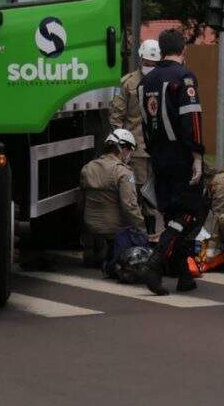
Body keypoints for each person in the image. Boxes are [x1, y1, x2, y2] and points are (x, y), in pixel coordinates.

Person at [138, 29, 207, 295]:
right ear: (183, 50)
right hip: (181, 155)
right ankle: (155, 263)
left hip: (158, 155)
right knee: (191, 212)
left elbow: (145, 124)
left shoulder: (146, 82)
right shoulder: (184, 77)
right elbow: (192, 120)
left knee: (171, 214)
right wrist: (197, 155)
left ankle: (183, 275)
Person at [79, 129, 147, 275]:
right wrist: (142, 228)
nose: (129, 154)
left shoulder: (87, 168)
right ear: (123, 148)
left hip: (90, 226)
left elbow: (81, 201)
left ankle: (93, 252)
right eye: (130, 150)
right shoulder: (124, 173)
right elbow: (130, 206)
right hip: (114, 230)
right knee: (139, 233)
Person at [110, 40, 161, 232]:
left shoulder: (163, 81)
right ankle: (139, 234)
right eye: (147, 62)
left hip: (157, 149)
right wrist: (122, 147)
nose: (150, 67)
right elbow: (116, 116)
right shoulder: (127, 83)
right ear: (140, 59)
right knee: (137, 193)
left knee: (154, 194)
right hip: (136, 150)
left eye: (154, 63)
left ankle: (151, 233)